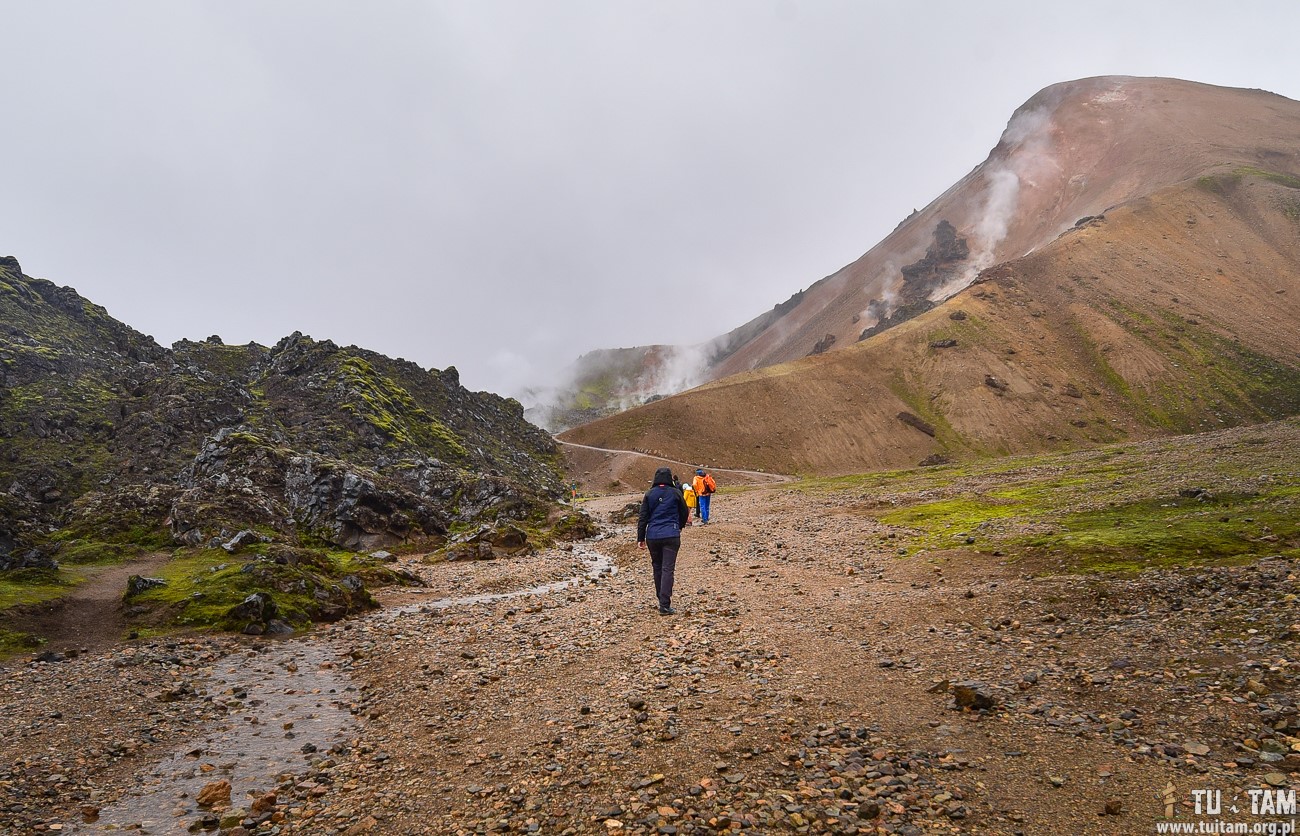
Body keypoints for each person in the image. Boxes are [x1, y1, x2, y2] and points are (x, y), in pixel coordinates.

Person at [637, 466, 689, 615]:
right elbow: (684, 512)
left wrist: (640, 538)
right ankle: (664, 604)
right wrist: (679, 526)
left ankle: (661, 598)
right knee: (667, 568)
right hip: (671, 534)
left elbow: (643, 518)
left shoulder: (649, 494)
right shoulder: (676, 493)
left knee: (657, 567)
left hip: (652, 536)